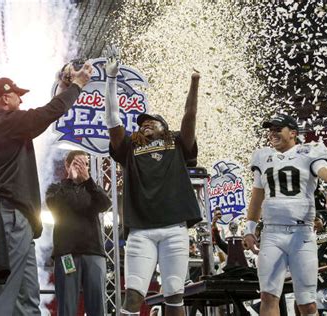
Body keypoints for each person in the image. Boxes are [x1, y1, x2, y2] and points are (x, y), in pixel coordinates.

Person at [0, 63, 93, 316]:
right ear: (5, 97)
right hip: (11, 218)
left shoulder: (2, 126)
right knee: (1, 295)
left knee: (27, 301)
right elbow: (46, 114)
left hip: (16, 219)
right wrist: (76, 86)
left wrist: (63, 89)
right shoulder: (4, 123)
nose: (21, 103)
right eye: (18, 97)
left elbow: (47, 112)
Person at [103, 45, 202, 316]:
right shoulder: (130, 148)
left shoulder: (178, 143)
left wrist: (194, 83)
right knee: (133, 298)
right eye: (142, 123)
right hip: (141, 232)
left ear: (165, 128)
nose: (144, 124)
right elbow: (112, 120)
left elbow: (190, 117)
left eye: (152, 122)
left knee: (174, 297)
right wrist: (111, 80)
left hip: (174, 229)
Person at [243, 113, 327, 316]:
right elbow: (257, 196)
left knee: (307, 302)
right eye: (270, 129)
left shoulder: (308, 152)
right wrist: (249, 228)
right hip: (272, 233)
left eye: (277, 129)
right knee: (268, 296)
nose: (272, 133)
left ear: (293, 133)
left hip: (302, 234)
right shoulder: (263, 157)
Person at [45, 150, 111, 316]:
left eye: (85, 164)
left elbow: (105, 204)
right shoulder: (55, 188)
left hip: (93, 252)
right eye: (77, 163)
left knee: (97, 305)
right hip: (66, 254)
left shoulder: (93, 188)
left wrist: (88, 181)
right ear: (67, 165)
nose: (82, 167)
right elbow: (55, 206)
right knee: (66, 304)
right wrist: (69, 180)